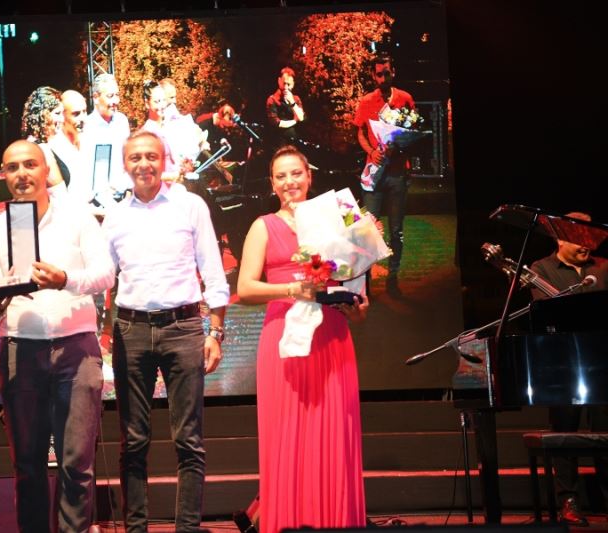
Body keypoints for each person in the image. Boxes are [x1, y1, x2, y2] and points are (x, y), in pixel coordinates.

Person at [0, 140, 114, 533]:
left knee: (77, 464)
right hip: (21, 349)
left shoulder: (78, 218)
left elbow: (106, 274)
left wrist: (64, 279)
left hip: (77, 348)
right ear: (4, 175)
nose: (22, 174)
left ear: (45, 170)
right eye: (12, 167)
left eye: (29, 165)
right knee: (27, 464)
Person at [101, 131, 230, 532]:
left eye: (151, 156)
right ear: (125, 165)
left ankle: (186, 528)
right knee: (133, 441)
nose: (144, 164)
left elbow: (213, 270)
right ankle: (135, 528)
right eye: (135, 157)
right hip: (131, 330)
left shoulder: (190, 206)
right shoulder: (115, 216)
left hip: (184, 328)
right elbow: (103, 279)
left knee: (188, 440)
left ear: (164, 161)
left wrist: (216, 331)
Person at [236, 145, 368, 533]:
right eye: (281, 176)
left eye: (296, 173)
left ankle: (336, 523)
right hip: (284, 341)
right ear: (272, 183)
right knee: (286, 438)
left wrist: (357, 308)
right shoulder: (263, 226)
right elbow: (245, 288)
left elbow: (359, 288)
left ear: (309, 176)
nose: (289, 182)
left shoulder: (339, 216)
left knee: (334, 437)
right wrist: (292, 290)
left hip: (332, 338)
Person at [529, 211, 608, 526]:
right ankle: (568, 501)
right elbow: (546, 315)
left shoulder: (604, 268)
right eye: (579, 239)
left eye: (590, 238)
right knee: (564, 433)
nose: (586, 245)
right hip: (562, 364)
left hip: (602, 362)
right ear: (559, 239)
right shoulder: (540, 269)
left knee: (605, 433)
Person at [353, 54, 415, 297]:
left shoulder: (405, 99)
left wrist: (399, 146)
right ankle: (365, 282)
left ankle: (393, 278)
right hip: (375, 173)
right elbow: (360, 132)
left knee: (396, 230)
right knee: (368, 230)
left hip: (398, 173)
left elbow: (412, 130)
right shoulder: (367, 101)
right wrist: (371, 151)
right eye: (379, 74)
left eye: (386, 73)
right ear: (373, 75)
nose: (383, 78)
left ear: (393, 72)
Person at [81, 73, 132, 208]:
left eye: (117, 95)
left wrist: (128, 192)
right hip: (96, 203)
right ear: (96, 97)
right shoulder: (87, 126)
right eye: (110, 96)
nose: (115, 101)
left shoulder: (122, 121)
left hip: (123, 199)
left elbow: (128, 158)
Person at [46, 89, 89, 197]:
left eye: (85, 111)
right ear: (63, 115)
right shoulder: (52, 147)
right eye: (76, 114)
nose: (83, 118)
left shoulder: (88, 138)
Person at [265, 67, 305, 149]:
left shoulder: (296, 99)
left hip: (294, 144)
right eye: (284, 83)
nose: (286, 87)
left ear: (293, 84)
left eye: (288, 84)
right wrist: (294, 121)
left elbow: (301, 117)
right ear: (279, 81)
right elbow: (277, 123)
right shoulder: (272, 99)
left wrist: (292, 103)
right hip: (278, 144)